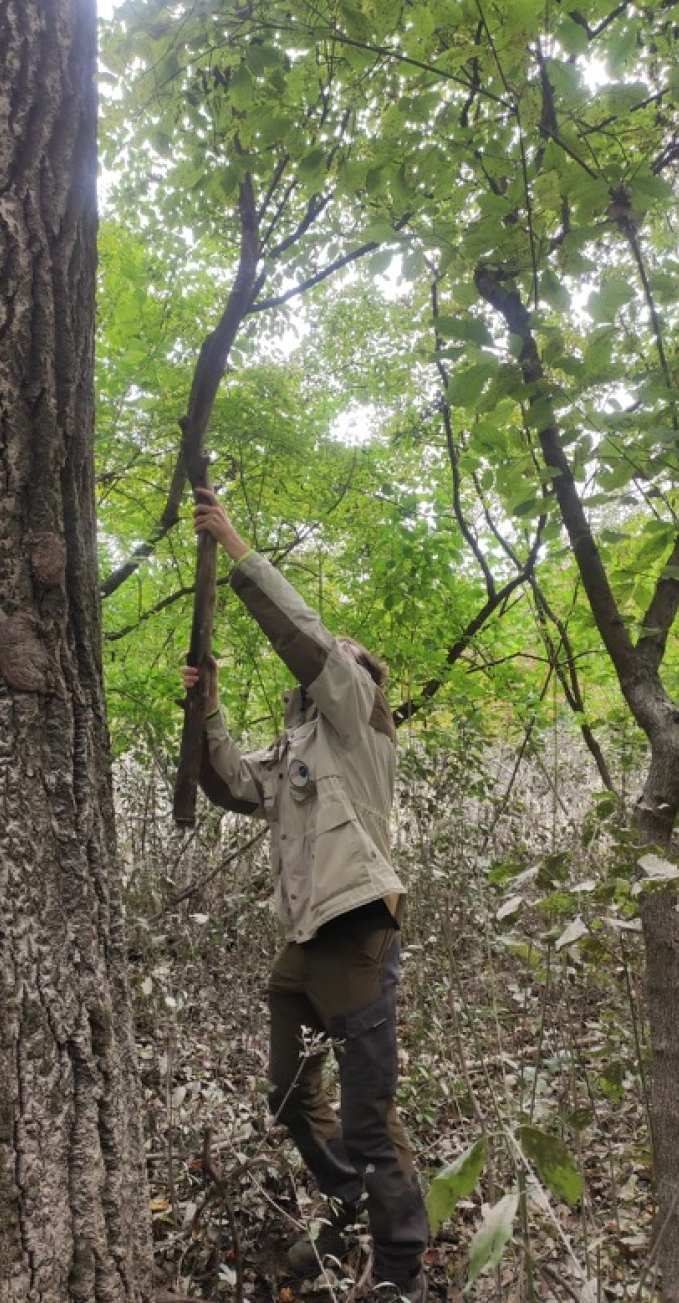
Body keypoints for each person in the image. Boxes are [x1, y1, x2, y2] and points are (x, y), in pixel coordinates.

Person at [180, 488, 429, 1303]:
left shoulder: (360, 719)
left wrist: (240, 551)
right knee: (288, 1090)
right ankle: (349, 1195)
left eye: (345, 650)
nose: (335, 651)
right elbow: (230, 786)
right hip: (305, 942)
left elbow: (310, 642)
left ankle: (399, 1270)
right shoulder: (298, 749)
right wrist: (206, 708)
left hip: (357, 929)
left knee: (368, 1113)